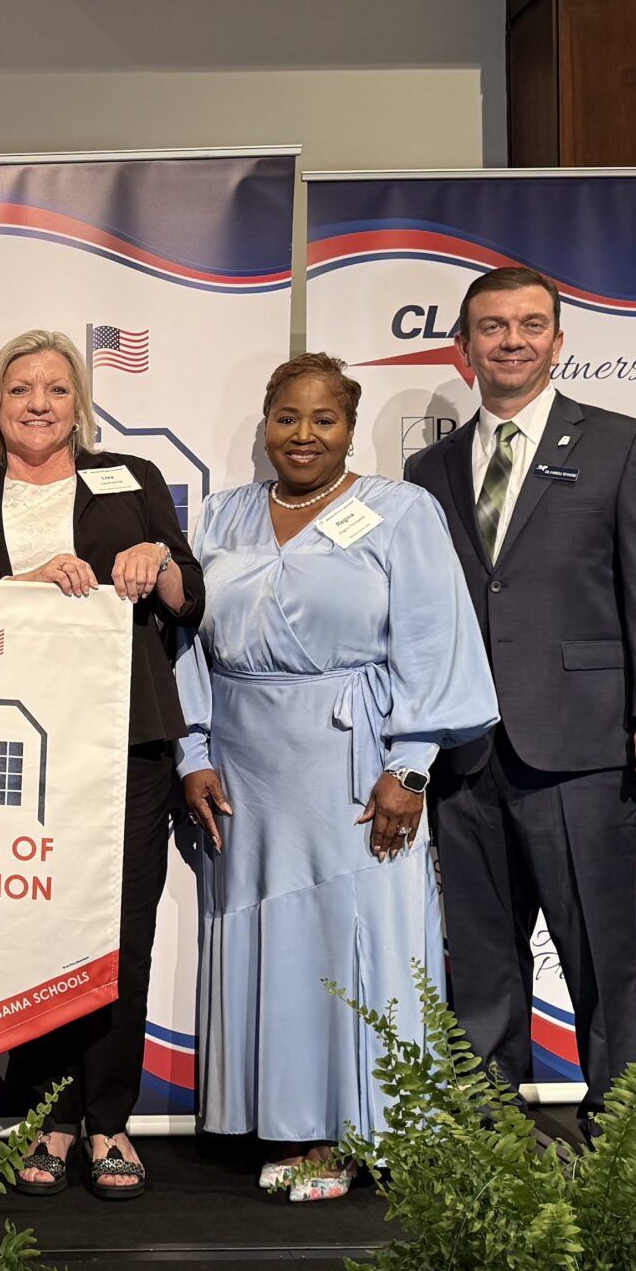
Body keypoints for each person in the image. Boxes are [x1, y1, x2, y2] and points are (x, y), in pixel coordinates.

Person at [175, 354, 498, 1201]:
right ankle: (280, 1120)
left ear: (350, 428)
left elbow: (433, 640)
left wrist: (411, 766)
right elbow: (183, 643)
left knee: (356, 941)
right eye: (287, 417)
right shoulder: (222, 516)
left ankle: (355, 1134)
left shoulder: (400, 512)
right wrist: (193, 751)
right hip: (245, 767)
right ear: (265, 424)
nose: (304, 435)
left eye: (324, 419)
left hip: (354, 762)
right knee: (267, 941)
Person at [403, 265, 636, 1131]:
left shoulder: (621, 442)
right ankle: (489, 1125)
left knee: (602, 948)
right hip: (467, 748)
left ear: (559, 343)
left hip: (581, 742)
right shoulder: (428, 468)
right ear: (465, 349)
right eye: (492, 327)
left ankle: (621, 1125)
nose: (512, 340)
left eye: (531, 325)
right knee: (484, 956)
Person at [0, 328, 201, 1200]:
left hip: (127, 734)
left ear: (79, 404)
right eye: (20, 391)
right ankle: (49, 1117)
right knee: (37, 925)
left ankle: (109, 1120)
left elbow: (189, 593)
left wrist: (157, 561)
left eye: (55, 389)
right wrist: (31, 585)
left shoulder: (133, 477)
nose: (38, 404)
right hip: (15, 741)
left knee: (122, 925)